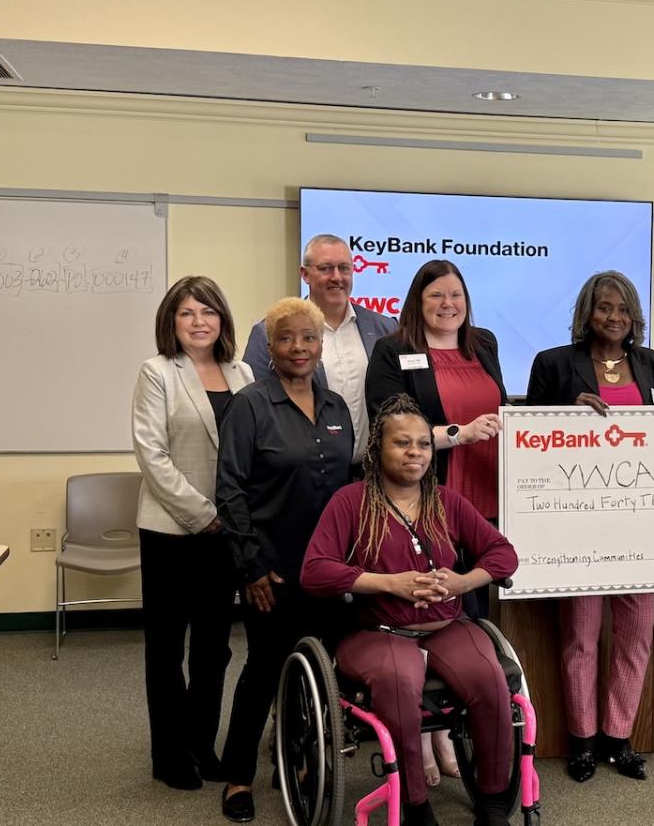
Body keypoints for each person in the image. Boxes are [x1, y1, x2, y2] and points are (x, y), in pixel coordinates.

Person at [302, 394, 519, 826]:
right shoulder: (351, 502)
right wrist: (390, 583)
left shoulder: (446, 501)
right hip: (377, 630)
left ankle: (494, 800)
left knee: (488, 676)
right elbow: (314, 571)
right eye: (402, 443)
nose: (415, 452)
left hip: (446, 624)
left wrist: (462, 581)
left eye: (422, 443)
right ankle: (415, 803)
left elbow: (502, 555)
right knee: (398, 682)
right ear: (377, 448)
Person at [216, 297, 354, 823]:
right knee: (262, 671)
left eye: (309, 338)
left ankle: (297, 761)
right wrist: (250, 567)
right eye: (287, 338)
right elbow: (229, 492)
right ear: (269, 347)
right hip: (270, 569)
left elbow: (346, 488)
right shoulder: (249, 405)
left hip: (329, 568)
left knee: (320, 670)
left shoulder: (337, 406)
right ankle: (238, 778)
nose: (299, 348)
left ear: (322, 345)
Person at [526, 271, 654, 783]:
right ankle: (582, 740)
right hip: (579, 526)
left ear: (634, 317)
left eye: (623, 309)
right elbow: (527, 440)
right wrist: (566, 413)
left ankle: (619, 737)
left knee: (636, 636)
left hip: (641, 525)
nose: (613, 317)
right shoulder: (554, 364)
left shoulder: (652, 364)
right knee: (581, 636)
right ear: (587, 312)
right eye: (604, 307)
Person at [131, 276, 254, 791]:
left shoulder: (242, 371)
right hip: (173, 532)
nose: (199, 321)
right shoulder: (157, 372)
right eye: (187, 313)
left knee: (214, 649)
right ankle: (170, 754)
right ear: (171, 321)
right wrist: (204, 514)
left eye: (208, 312)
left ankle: (203, 744)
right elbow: (151, 455)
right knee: (167, 649)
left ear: (222, 319)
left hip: (227, 534)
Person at [365, 259, 506, 618]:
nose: (448, 303)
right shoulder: (393, 349)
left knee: (486, 598)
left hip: (492, 487)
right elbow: (390, 427)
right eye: (437, 294)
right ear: (418, 299)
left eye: (456, 294)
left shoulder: (484, 343)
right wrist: (462, 434)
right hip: (433, 491)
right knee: (445, 603)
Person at [243, 233, 396, 473]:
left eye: (344, 268)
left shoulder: (385, 329)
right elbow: (253, 410)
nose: (337, 277)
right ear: (305, 274)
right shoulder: (267, 333)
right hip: (303, 476)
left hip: (375, 475)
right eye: (326, 268)